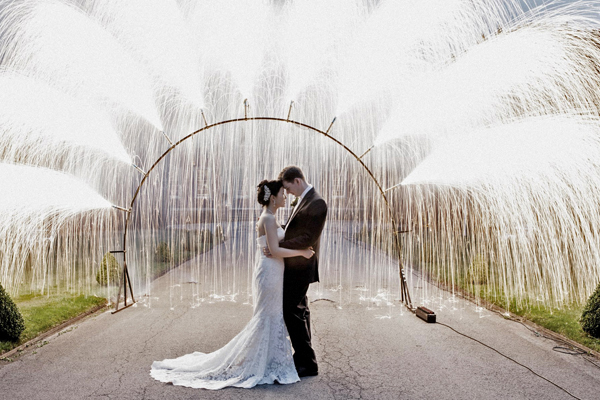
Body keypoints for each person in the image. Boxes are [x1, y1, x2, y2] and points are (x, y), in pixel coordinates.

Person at [150, 179, 314, 389]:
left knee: (271, 316)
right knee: (268, 316)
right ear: (273, 198)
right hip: (270, 272)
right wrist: (302, 252)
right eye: (283, 193)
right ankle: (265, 361)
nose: (285, 196)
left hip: (272, 271)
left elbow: (273, 246)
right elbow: (274, 251)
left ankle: (269, 359)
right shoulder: (269, 219)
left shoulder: (269, 217)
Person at [276, 166, 328, 377]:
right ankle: (304, 358)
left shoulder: (317, 202)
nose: (288, 194)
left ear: (297, 181)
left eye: (288, 189)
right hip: (296, 264)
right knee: (301, 310)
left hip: (302, 265)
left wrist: (278, 245)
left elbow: (308, 237)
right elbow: (293, 228)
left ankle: (308, 362)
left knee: (291, 311)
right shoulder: (306, 200)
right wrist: (276, 232)